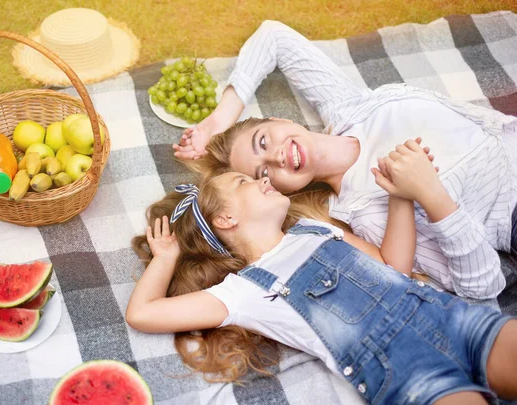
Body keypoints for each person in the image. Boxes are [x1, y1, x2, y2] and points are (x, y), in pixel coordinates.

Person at [172, 20, 517, 300]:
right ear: (277, 189)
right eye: (264, 171)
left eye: (263, 141)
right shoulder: (365, 208)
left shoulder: (349, 108)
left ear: (280, 120)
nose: (276, 156)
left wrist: (218, 121)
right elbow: (482, 285)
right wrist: (433, 197)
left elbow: (274, 36)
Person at [127, 171, 517, 405]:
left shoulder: (316, 230)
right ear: (226, 217)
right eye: (244, 181)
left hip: (454, 319)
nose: (262, 178)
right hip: (406, 370)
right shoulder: (241, 292)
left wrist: (399, 195)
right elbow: (142, 313)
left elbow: (393, 267)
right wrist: (165, 258)